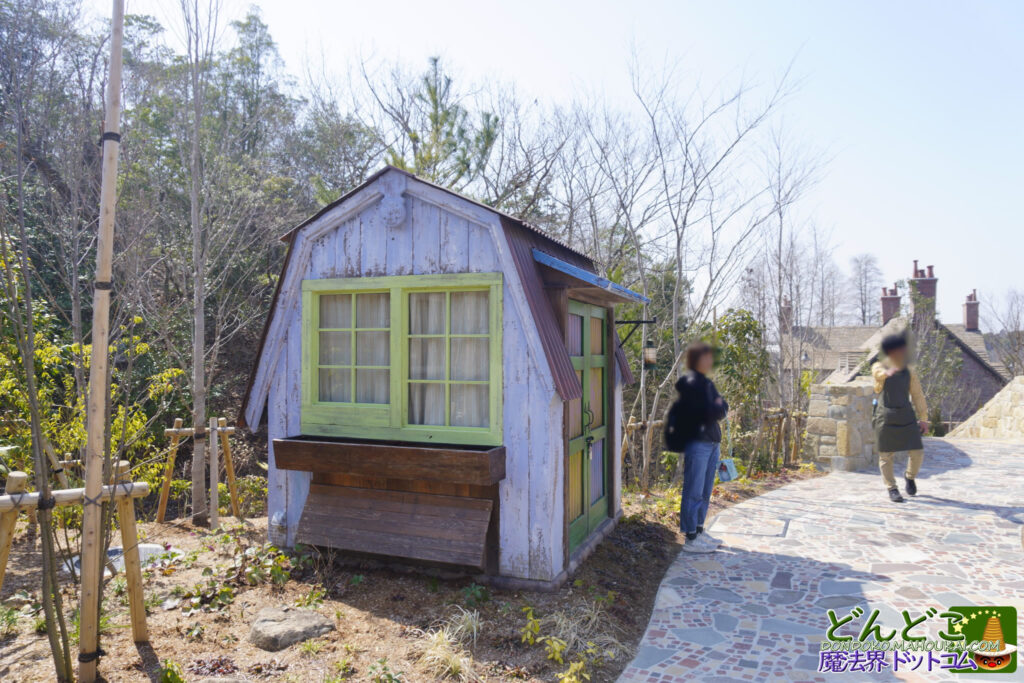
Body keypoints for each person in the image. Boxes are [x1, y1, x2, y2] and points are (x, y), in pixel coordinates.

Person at [664, 341, 729, 553]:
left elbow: (722, 409)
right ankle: (690, 536)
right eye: (706, 357)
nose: (710, 361)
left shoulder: (707, 383)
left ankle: (699, 530)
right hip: (698, 443)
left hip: (712, 442)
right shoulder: (691, 382)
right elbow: (710, 411)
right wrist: (714, 407)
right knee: (693, 489)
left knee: (705, 489)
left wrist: (716, 406)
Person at [871, 332, 928, 503]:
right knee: (886, 455)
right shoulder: (878, 366)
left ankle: (910, 477)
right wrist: (889, 372)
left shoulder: (909, 371)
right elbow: (877, 374)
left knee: (917, 452)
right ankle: (892, 488)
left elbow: (917, 395)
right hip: (885, 415)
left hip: (906, 415)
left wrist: (923, 417)